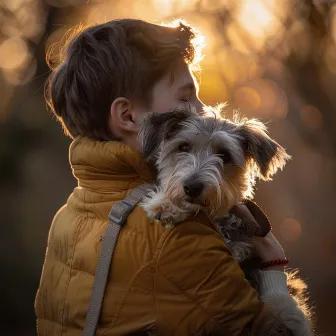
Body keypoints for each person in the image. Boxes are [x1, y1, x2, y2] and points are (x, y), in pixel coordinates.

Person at [35, 19, 311, 335]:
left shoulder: (69, 215)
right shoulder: (178, 234)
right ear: (128, 117)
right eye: (185, 97)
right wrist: (273, 271)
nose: (202, 111)